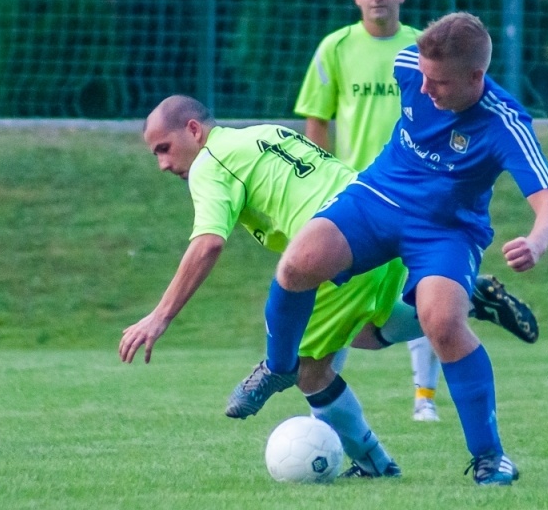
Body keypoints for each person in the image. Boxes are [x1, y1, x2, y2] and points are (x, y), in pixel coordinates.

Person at [260, 13, 548, 485]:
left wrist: (536, 242)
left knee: (442, 323)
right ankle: (277, 368)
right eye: (422, 77)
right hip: (378, 197)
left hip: (446, 229)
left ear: (476, 77)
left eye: (439, 82)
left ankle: (490, 457)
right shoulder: (409, 64)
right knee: (299, 263)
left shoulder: (504, 122)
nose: (424, 90)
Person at [119, 96, 419, 477]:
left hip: (333, 244)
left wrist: (160, 317)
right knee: (363, 332)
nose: (163, 164)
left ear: (193, 130)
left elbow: (207, 243)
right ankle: (463, 300)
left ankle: (375, 465)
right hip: (377, 226)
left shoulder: (210, 162)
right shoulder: (263, 134)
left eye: (164, 149)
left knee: (308, 369)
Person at [294, 0, 538, 423]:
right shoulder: (336, 48)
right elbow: (317, 118)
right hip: (365, 194)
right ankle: (473, 300)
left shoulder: (420, 49)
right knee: (356, 321)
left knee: (434, 300)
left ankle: (423, 399)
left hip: (428, 201)